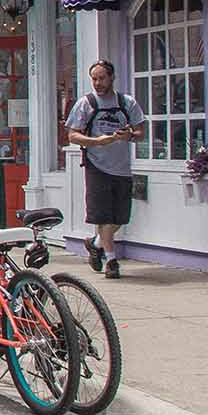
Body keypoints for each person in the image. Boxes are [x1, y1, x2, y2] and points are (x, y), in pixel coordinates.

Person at [65, 60, 145, 280]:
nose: (97, 83)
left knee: (120, 217)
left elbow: (141, 132)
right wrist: (96, 141)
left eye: (101, 78)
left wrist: (129, 136)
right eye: (94, 79)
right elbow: (72, 135)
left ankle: (96, 243)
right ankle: (111, 260)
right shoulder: (86, 103)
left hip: (122, 168)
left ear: (112, 77)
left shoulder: (126, 103)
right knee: (104, 218)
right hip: (97, 166)